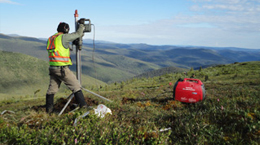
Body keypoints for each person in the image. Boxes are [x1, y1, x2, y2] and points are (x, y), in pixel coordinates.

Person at [45, 21, 87, 113]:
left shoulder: (51, 38)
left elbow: (60, 48)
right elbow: (78, 33)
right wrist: (81, 25)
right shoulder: (63, 37)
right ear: (66, 30)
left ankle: (49, 111)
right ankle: (83, 107)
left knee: (52, 89)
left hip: (53, 68)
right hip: (61, 69)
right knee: (76, 86)